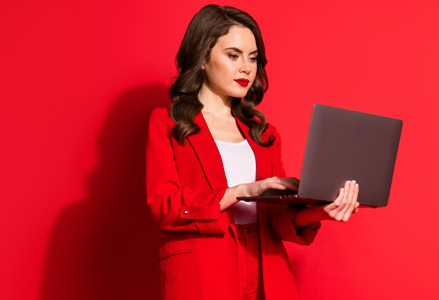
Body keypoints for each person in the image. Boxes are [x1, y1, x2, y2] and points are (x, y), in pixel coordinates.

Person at [144, 4, 362, 300]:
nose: (247, 67)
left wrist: (321, 212)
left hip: (267, 269)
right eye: (233, 55)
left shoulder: (264, 133)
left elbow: (276, 220)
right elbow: (164, 205)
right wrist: (243, 190)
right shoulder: (167, 122)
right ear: (203, 58)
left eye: (253, 58)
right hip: (204, 270)